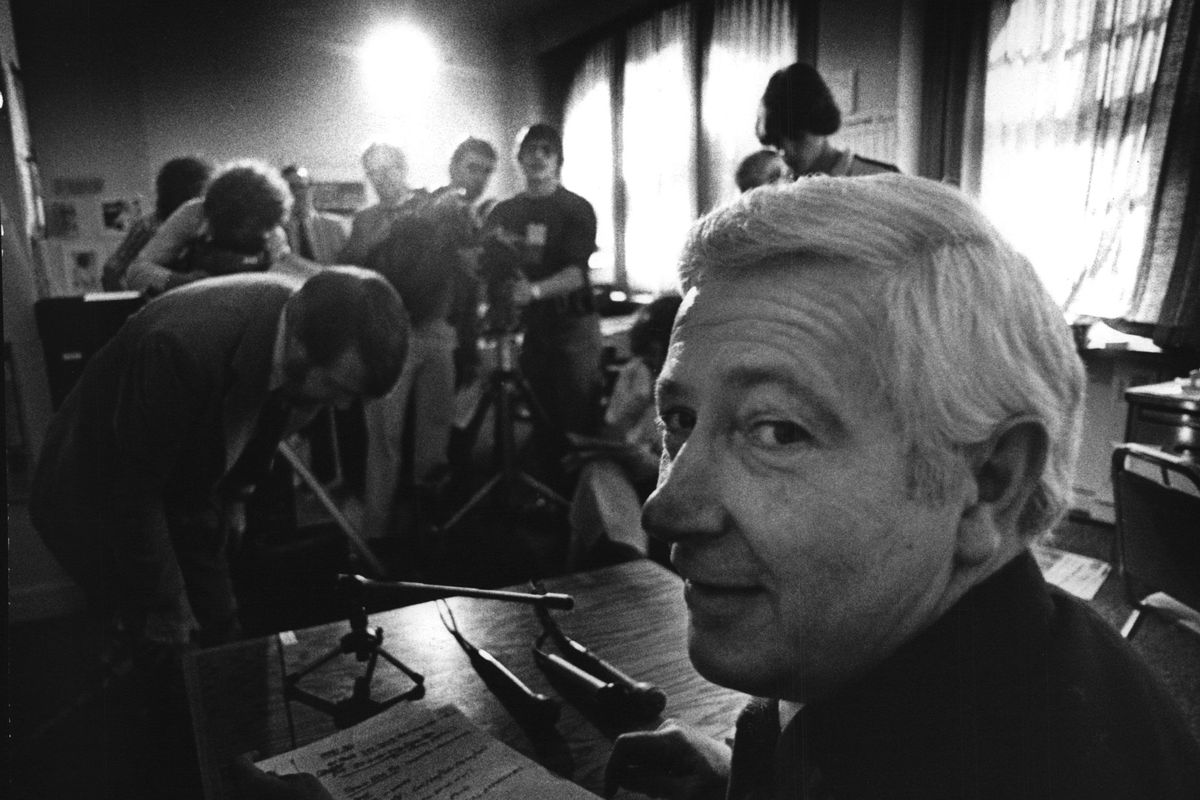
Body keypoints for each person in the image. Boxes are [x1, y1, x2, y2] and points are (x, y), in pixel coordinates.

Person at [603, 174, 1200, 799]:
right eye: (680, 421)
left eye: (777, 431)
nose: (665, 507)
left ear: (987, 483)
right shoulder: (998, 654)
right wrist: (750, 777)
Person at [30, 268, 408, 651]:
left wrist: (238, 496)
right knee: (157, 641)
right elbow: (132, 493)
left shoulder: (306, 326)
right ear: (297, 347)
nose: (342, 405)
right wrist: (167, 603)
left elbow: (273, 413)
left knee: (222, 631)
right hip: (96, 498)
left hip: (180, 482)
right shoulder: (183, 347)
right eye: (336, 388)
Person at [484, 123, 604, 450]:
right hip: (531, 330)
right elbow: (490, 266)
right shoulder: (504, 212)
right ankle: (543, 492)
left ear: (558, 160)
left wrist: (533, 291)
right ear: (518, 159)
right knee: (540, 415)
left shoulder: (576, 208)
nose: (538, 156)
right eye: (530, 150)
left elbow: (576, 274)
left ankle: (578, 496)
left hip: (573, 328)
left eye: (546, 150)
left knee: (578, 416)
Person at [566, 294, 681, 568]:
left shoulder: (695, 387)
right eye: (648, 354)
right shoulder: (635, 373)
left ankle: (618, 570)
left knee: (595, 484)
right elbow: (611, 436)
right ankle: (630, 560)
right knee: (598, 471)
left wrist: (652, 464)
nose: (652, 361)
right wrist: (637, 402)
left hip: (671, 480)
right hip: (634, 478)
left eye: (659, 352)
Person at [125, 159, 317, 295]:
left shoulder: (271, 230)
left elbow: (285, 265)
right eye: (243, 223)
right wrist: (185, 282)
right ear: (221, 211)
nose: (250, 232)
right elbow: (137, 271)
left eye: (258, 225)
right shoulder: (195, 213)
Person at [757, 62, 899, 178]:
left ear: (819, 122)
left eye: (796, 136)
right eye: (778, 144)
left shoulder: (881, 178)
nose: (787, 152)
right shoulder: (778, 191)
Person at [101, 155, 213, 291]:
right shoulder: (148, 225)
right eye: (206, 188)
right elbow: (112, 271)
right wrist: (130, 305)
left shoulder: (207, 223)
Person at [439, 137, 498, 388]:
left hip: (465, 328)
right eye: (472, 168)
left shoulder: (474, 214)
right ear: (453, 167)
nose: (480, 178)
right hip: (440, 330)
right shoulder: (435, 209)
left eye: (487, 171)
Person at [281, 164, 348, 264]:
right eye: (291, 187)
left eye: (301, 186)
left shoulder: (334, 226)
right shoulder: (275, 231)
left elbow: (346, 265)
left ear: (311, 188)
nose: (297, 192)